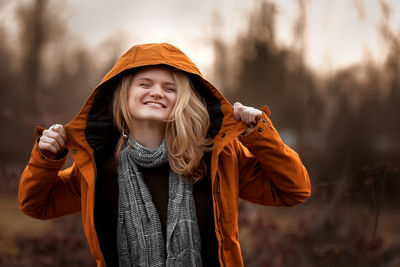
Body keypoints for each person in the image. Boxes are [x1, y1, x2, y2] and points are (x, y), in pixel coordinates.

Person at [18, 43, 311, 267]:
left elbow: (293, 190)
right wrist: (48, 157)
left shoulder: (217, 157)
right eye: (145, 84)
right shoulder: (96, 165)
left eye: (170, 88)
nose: (157, 92)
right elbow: (36, 205)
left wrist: (258, 132)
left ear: (182, 99)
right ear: (124, 94)